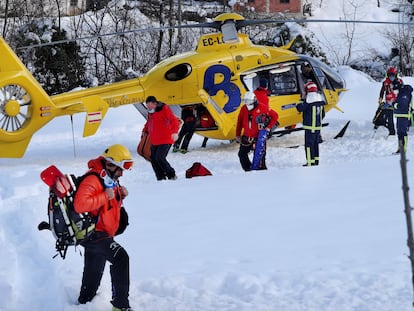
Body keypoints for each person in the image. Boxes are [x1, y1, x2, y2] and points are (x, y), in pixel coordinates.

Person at [74, 144, 134, 311]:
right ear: (109, 164)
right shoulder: (93, 179)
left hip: (102, 234)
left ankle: (84, 303)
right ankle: (120, 306)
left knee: (91, 281)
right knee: (121, 258)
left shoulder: (108, 177)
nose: (122, 173)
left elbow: (107, 205)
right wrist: (104, 196)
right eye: (120, 169)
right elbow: (80, 204)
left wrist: (120, 195)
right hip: (94, 234)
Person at [235, 91, 278, 171]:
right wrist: (237, 134)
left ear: (254, 100)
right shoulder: (243, 109)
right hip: (246, 137)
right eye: (246, 103)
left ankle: (262, 174)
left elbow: (275, 115)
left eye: (250, 104)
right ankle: (248, 170)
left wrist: (268, 128)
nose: (248, 106)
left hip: (258, 138)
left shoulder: (263, 107)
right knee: (242, 154)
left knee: (261, 160)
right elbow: (239, 121)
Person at [142, 95, 180, 180]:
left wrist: (174, 132)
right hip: (155, 140)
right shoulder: (151, 112)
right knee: (153, 159)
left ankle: (172, 175)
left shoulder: (164, 109)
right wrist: (145, 130)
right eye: (147, 106)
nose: (148, 108)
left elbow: (174, 121)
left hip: (166, 139)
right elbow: (149, 122)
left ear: (155, 104)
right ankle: (160, 177)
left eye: (150, 106)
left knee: (160, 158)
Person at [296, 82, 326, 166]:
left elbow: (299, 108)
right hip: (317, 128)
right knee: (316, 145)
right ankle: (316, 161)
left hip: (309, 128)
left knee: (309, 146)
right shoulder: (319, 100)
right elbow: (323, 114)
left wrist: (301, 100)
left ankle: (310, 162)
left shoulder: (309, 100)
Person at [375, 67, 403, 135]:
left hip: (397, 102)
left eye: (393, 75)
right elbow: (382, 91)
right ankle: (378, 123)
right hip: (388, 102)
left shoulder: (399, 82)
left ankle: (392, 132)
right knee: (380, 111)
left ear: (395, 75)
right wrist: (380, 98)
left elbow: (403, 91)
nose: (391, 76)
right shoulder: (385, 83)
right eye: (390, 75)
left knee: (390, 115)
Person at [393, 83, 413, 154]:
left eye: (395, 90)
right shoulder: (401, 93)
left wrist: (395, 105)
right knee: (399, 133)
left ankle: (403, 149)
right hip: (400, 115)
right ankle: (400, 148)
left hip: (403, 116)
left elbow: (403, 104)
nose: (395, 92)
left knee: (402, 133)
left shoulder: (404, 94)